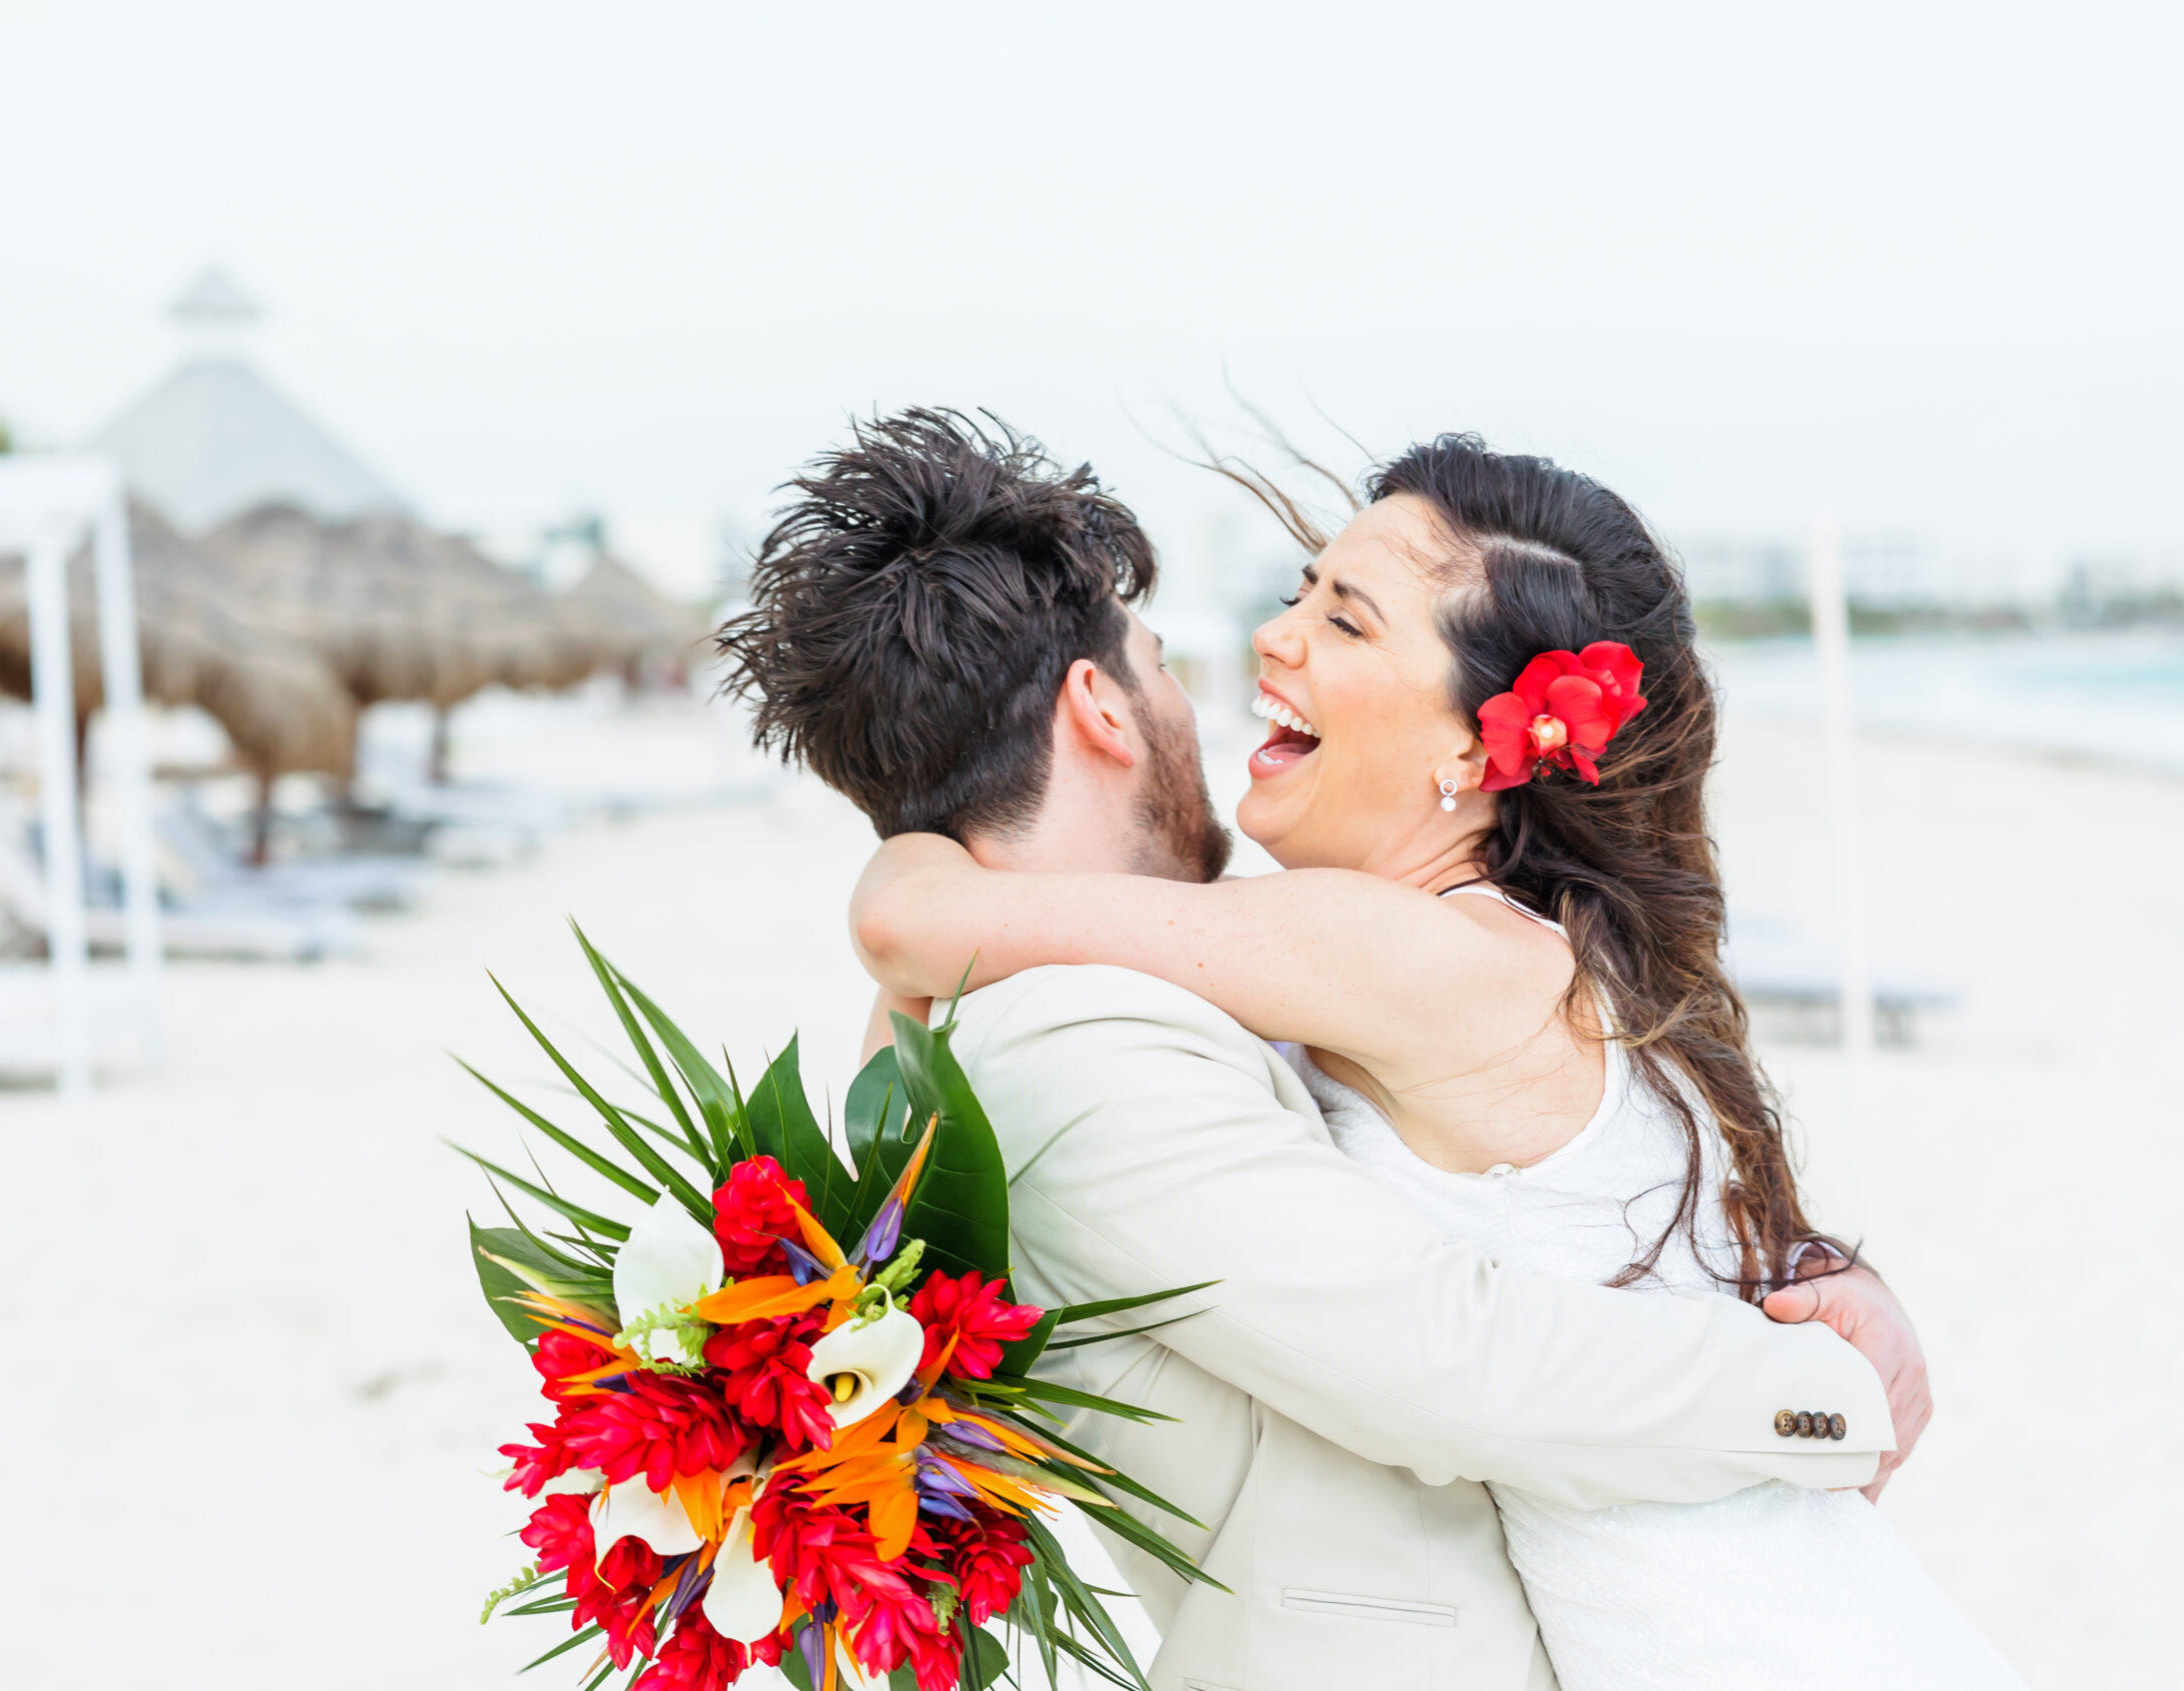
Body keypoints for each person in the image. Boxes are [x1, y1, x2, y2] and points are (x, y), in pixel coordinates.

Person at [721, 409, 1936, 1691]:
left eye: (1344, 619)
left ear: (1479, 748)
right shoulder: (1401, 954)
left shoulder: (1392, 951)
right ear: (1099, 709)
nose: (1266, 637)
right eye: (1303, 590)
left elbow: (908, 924)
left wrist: (1823, 1382)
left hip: (1724, 1627)